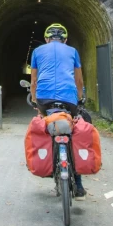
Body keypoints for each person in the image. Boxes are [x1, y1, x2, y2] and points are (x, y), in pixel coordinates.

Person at [29, 22, 87, 199]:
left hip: (44, 98)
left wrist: (34, 101)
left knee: (45, 126)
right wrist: (79, 98)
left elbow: (33, 81)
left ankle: (47, 163)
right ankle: (78, 184)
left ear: (46, 39)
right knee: (74, 130)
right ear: (65, 39)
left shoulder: (37, 52)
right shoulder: (73, 51)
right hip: (68, 98)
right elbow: (78, 81)